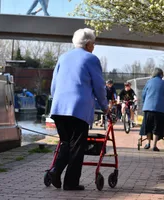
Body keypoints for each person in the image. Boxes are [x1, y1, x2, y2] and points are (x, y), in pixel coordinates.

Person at [49, 28, 108, 191]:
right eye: (93, 43)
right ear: (88, 44)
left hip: (59, 108)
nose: (94, 46)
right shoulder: (91, 59)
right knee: (77, 146)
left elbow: (53, 85)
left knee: (66, 142)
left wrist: (57, 100)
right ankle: (70, 182)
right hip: (78, 108)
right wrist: (105, 107)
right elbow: (99, 87)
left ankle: (55, 170)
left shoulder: (63, 57)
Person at [140, 68, 164, 151]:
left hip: (148, 108)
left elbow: (143, 94)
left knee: (148, 126)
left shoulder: (149, 82)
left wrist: (145, 103)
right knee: (158, 127)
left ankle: (148, 143)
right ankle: (154, 145)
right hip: (160, 109)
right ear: (161, 74)